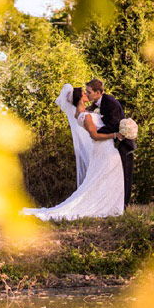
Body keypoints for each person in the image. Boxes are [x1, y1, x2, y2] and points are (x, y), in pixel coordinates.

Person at [20, 83, 124, 220]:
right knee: (103, 179)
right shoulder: (85, 116)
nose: (87, 94)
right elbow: (95, 135)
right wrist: (116, 135)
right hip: (104, 150)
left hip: (104, 150)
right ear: (80, 99)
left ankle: (110, 207)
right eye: (84, 93)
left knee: (102, 180)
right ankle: (104, 207)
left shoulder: (82, 113)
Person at [85, 79, 136, 208]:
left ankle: (123, 205)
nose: (87, 95)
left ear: (98, 92)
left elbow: (114, 125)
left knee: (125, 175)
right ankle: (112, 203)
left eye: (89, 92)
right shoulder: (99, 103)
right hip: (111, 144)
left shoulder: (110, 103)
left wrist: (95, 131)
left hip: (123, 144)